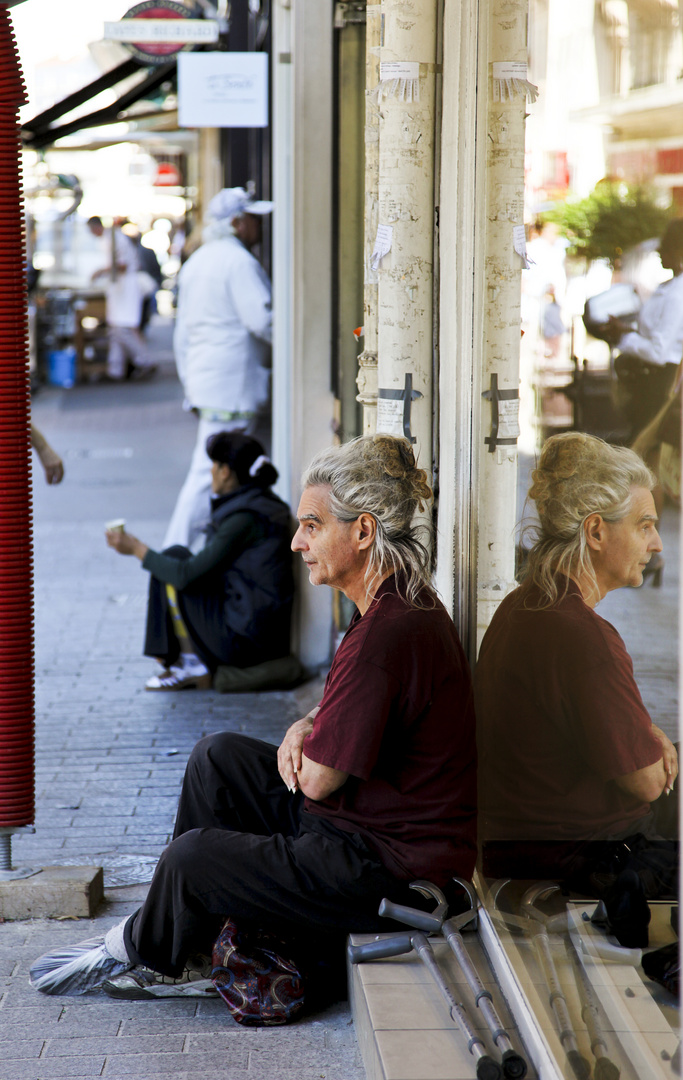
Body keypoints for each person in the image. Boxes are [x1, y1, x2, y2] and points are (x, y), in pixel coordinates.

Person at [30, 434, 477, 1004]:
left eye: (312, 526)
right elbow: (346, 708)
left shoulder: (389, 633)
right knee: (216, 758)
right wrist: (303, 725)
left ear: (363, 531)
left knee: (193, 860)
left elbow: (316, 779)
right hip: (350, 829)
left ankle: (150, 950)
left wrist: (308, 735)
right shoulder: (394, 605)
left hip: (388, 874)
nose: (297, 543)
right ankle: (182, 947)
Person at [476, 433, 678, 945]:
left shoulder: (525, 603)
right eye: (645, 525)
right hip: (574, 855)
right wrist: (650, 741)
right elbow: (648, 784)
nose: (656, 543)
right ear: (595, 532)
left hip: (526, 840)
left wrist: (645, 733)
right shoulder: (584, 639)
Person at [104, 432, 294, 691]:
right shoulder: (260, 504)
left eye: (214, 466)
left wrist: (136, 548)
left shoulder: (245, 519)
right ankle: (180, 660)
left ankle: (190, 665)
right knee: (175, 557)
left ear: (225, 471)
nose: (211, 473)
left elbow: (186, 575)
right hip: (256, 630)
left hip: (246, 642)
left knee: (174, 561)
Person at [163, 187, 273, 551]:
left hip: (209, 384)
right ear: (238, 223)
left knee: (221, 468)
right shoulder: (238, 262)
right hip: (234, 388)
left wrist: (190, 384)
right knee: (207, 473)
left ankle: (194, 552)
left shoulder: (199, 261)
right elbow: (263, 320)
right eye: (254, 219)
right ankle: (177, 553)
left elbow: (182, 335)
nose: (260, 227)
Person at [605, 218, 683, 437]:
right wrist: (625, 330)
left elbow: (658, 351)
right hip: (648, 383)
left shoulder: (677, 294)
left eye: (665, 249)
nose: (659, 253)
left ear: (677, 252)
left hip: (660, 384)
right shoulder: (668, 287)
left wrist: (624, 339)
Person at [87, 216, 158, 382]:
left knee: (123, 328)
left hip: (125, 287)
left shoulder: (115, 238)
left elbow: (123, 264)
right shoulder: (109, 239)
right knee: (115, 329)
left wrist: (100, 271)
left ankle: (144, 361)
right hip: (120, 287)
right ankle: (116, 369)